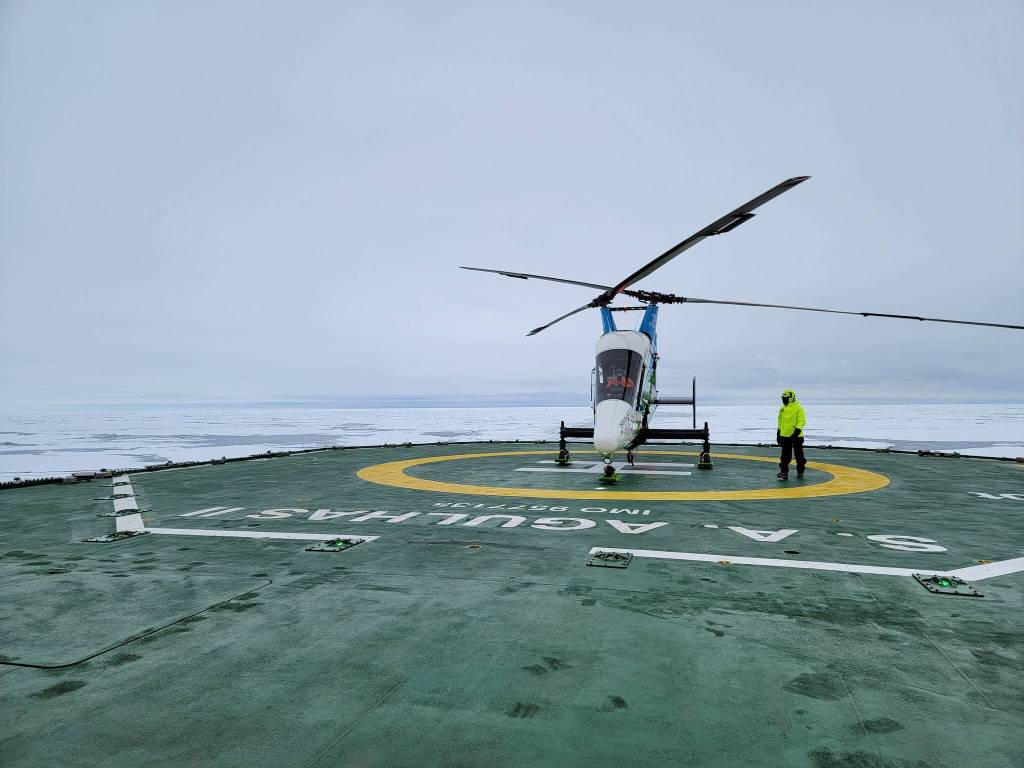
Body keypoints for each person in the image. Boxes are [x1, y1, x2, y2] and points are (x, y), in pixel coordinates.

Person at [776, 388, 806, 480]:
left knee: (799, 455)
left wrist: (796, 433)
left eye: (785, 398)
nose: (783, 400)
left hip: (796, 436)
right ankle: (784, 472)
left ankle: (800, 472)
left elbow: (801, 421)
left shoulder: (799, 408)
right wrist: (778, 434)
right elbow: (780, 422)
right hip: (785, 436)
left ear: (790, 399)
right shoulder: (782, 409)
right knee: (785, 456)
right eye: (783, 398)